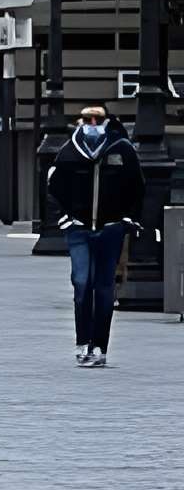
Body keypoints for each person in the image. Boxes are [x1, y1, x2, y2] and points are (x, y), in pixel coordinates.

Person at [42, 102, 146, 365]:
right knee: (81, 283)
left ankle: (99, 346)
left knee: (103, 288)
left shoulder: (122, 149)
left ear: (106, 121)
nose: (91, 125)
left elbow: (138, 186)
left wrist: (127, 219)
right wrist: (65, 219)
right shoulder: (69, 151)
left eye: (96, 120)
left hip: (110, 229)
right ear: (80, 121)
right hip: (79, 230)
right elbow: (53, 188)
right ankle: (82, 342)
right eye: (87, 120)